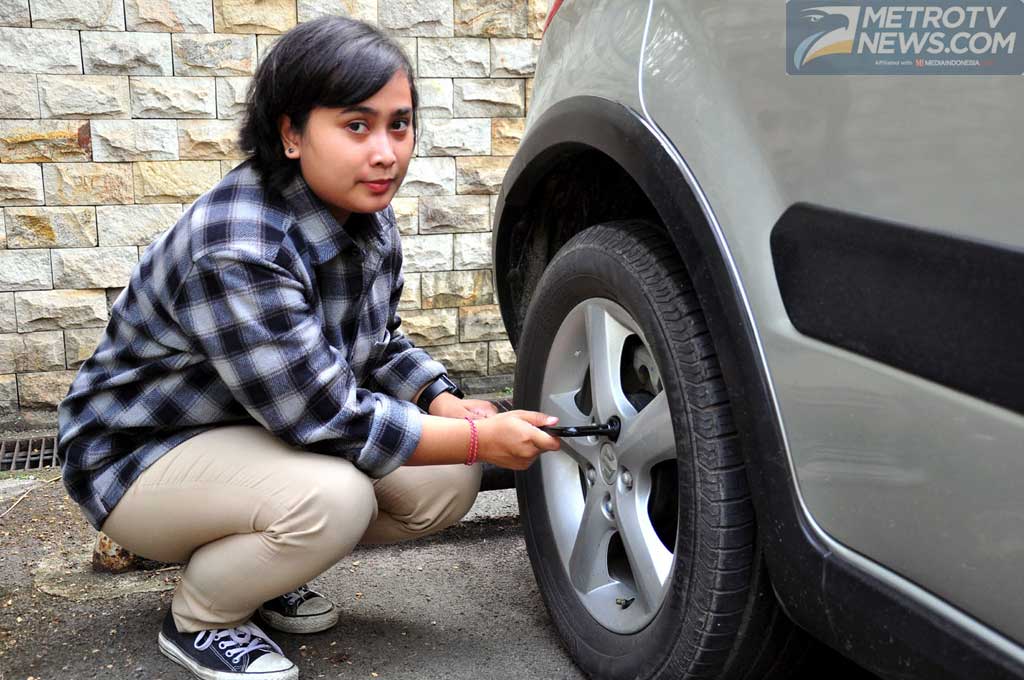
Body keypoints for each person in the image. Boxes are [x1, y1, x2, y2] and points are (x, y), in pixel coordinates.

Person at [56, 16, 561, 680]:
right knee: (335, 498)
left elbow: (375, 343)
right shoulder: (238, 245)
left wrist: (441, 400)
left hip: (247, 434)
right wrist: (481, 440)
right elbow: (324, 417)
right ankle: (203, 616)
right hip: (137, 453)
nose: (386, 152)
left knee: (443, 482)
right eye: (356, 126)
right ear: (291, 133)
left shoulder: (367, 220)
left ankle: (259, 566)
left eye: (399, 125)